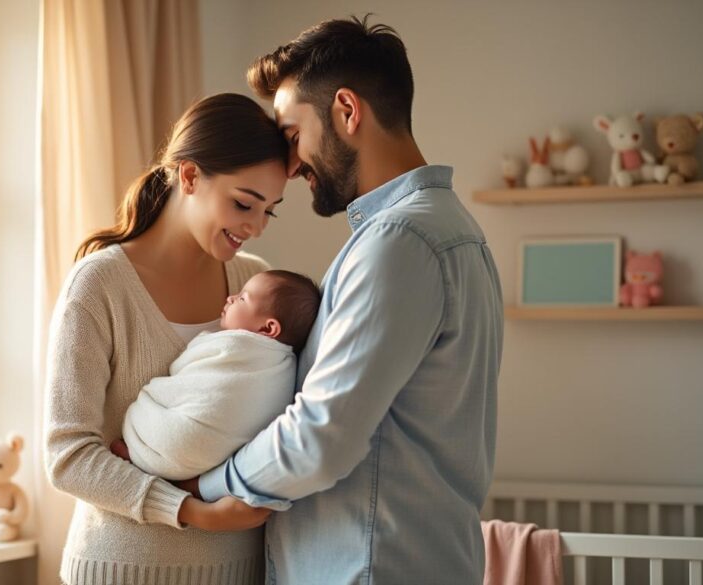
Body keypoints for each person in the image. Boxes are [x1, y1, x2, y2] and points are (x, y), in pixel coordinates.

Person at [191, 16, 505, 584]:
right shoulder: (451, 231)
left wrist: (199, 486)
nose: (289, 167)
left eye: (291, 137)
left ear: (346, 111)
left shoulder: (399, 242)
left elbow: (321, 437)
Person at [43, 93, 289, 585]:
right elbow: (68, 456)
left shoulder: (257, 288)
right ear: (190, 176)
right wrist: (192, 509)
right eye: (244, 203)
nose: (255, 227)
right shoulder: (100, 285)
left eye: (270, 212)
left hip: (241, 569)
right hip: (122, 570)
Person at [117, 270, 321, 480]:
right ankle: (152, 463)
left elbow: (183, 366)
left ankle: (140, 452)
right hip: (202, 460)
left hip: (175, 438)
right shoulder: (284, 368)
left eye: (242, 298)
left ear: (268, 328)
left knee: (145, 407)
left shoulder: (234, 346)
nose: (230, 298)